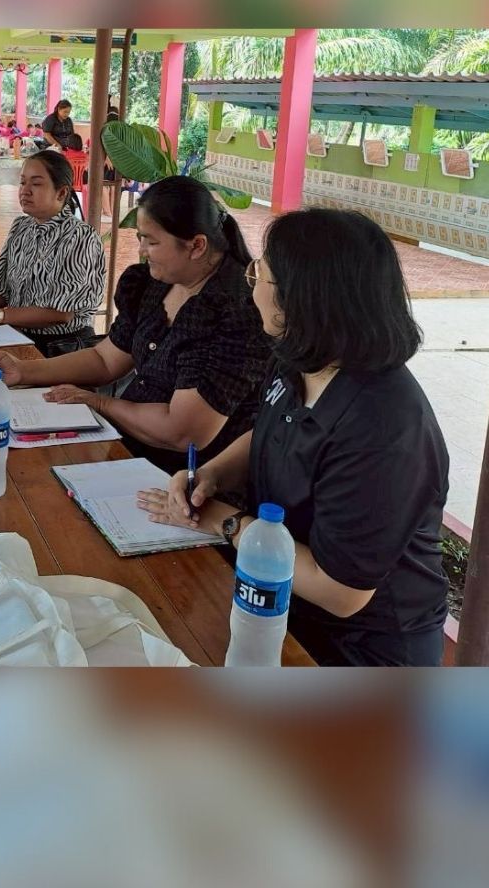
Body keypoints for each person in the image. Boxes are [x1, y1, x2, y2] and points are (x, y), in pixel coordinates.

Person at [137, 210, 450, 666]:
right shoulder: (304, 360)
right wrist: (210, 475)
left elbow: (341, 591)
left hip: (357, 649)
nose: (251, 286)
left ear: (301, 298)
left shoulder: (384, 426)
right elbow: (271, 430)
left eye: (260, 274)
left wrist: (224, 522)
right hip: (276, 604)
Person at [0, 176, 271, 473]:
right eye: (141, 238)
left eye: (152, 242)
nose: (142, 250)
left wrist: (102, 404)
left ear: (196, 246)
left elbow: (182, 433)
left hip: (187, 478)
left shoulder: (236, 313)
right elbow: (105, 359)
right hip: (129, 445)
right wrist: (23, 370)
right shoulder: (158, 284)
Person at [0, 150, 105, 357]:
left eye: (36, 184)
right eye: (22, 182)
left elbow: (60, 313)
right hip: (16, 335)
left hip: (61, 347)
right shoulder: (21, 227)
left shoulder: (80, 237)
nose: (25, 191)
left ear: (61, 193)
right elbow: (1, 288)